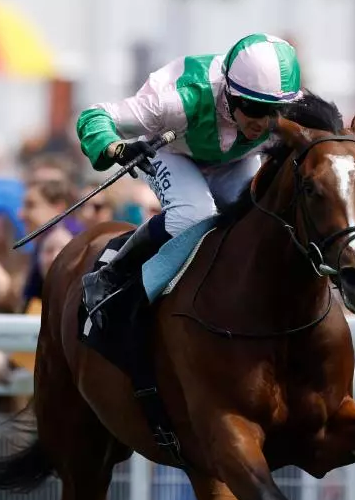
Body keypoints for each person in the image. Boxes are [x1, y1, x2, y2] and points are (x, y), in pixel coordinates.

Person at [75, 33, 302, 315]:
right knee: (194, 215)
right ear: (230, 94)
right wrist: (118, 149)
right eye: (254, 108)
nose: (263, 123)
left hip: (234, 161)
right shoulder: (179, 99)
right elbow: (94, 116)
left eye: (275, 111)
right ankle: (110, 275)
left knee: (260, 218)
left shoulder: (291, 113)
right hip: (173, 153)